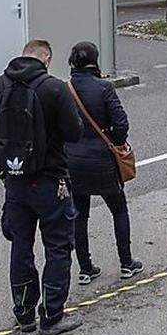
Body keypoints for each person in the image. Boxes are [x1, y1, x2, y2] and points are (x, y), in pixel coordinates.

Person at [0, 39, 84, 335]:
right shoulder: (53, 88)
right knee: (58, 246)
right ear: (46, 58)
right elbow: (74, 133)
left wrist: (2, 170)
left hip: (15, 183)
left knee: (20, 247)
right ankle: (52, 316)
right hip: (51, 180)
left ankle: (24, 312)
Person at [63, 42, 141, 284]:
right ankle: (126, 263)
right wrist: (115, 142)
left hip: (73, 160)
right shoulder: (104, 88)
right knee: (118, 209)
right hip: (102, 159)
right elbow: (121, 124)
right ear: (95, 61)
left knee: (79, 215)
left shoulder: (65, 89)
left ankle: (85, 268)